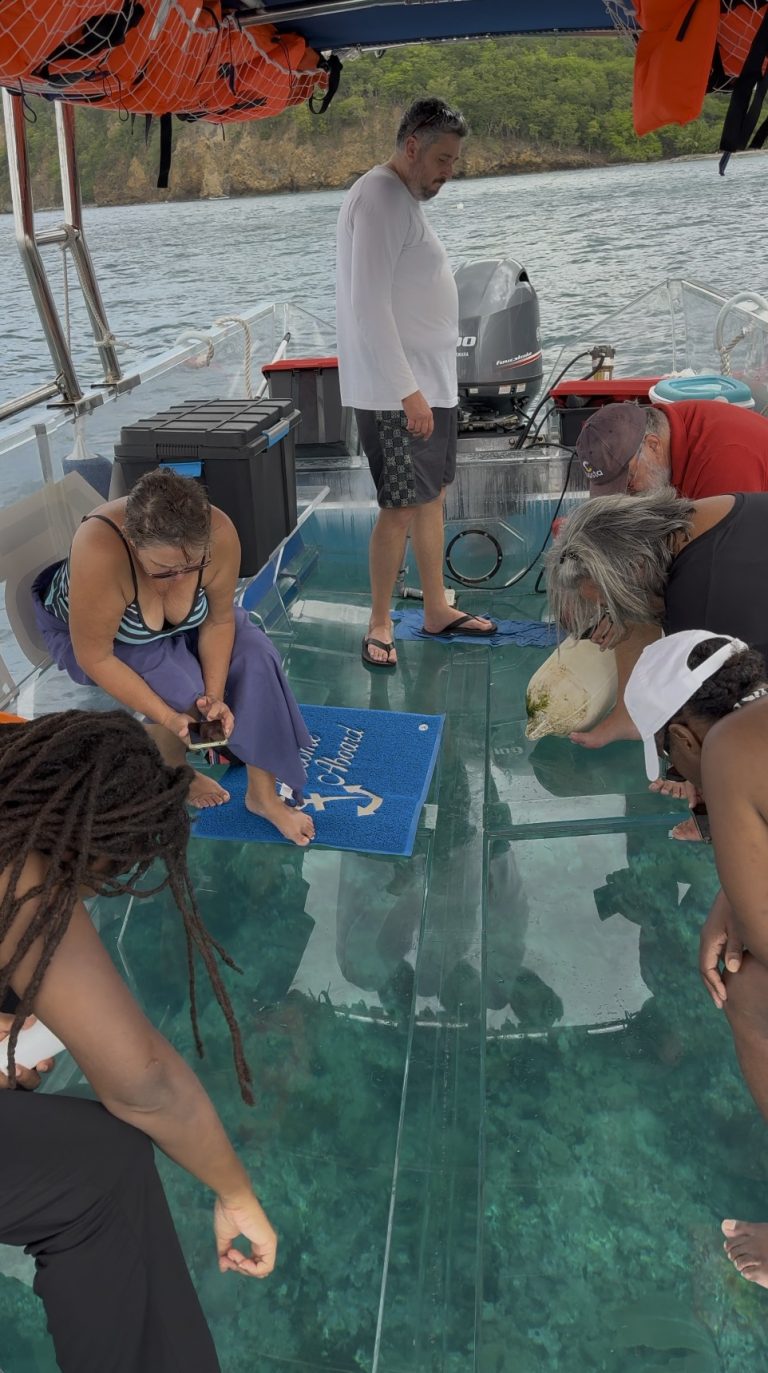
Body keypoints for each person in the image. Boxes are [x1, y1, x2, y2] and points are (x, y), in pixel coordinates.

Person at [0, 709, 277, 1372]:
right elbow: (145, 1083)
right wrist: (236, 1194)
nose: (96, 892)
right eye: (109, 870)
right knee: (95, 1174)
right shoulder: (13, 863)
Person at [31, 467, 315, 846]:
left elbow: (218, 620)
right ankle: (174, 767)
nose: (180, 579)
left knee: (257, 656)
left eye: (192, 566)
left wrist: (215, 697)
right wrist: (169, 716)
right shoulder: (100, 551)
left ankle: (262, 796)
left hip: (194, 624)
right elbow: (95, 657)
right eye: (164, 570)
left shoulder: (219, 534)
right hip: (102, 637)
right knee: (181, 688)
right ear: (132, 541)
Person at [624, 628, 768, 1288]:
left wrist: (716, 819)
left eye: (674, 765)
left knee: (748, 989)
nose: (684, 781)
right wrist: (730, 894)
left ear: (684, 734)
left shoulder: (727, 746)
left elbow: (760, 941)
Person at [335, 96, 496, 669]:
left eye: (454, 161)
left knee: (431, 498)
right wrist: (407, 391)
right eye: (443, 159)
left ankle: (435, 608)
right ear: (411, 147)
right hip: (396, 394)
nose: (449, 172)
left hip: (428, 386)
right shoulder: (380, 197)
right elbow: (369, 305)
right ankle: (380, 622)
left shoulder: (400, 199)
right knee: (401, 506)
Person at [545, 486, 768, 756]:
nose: (612, 617)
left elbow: (729, 739)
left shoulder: (701, 613)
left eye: (612, 604)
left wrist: (684, 767)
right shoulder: (700, 516)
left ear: (636, 567)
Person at [577, 398, 768, 500]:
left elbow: (731, 552)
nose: (626, 495)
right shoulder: (664, 425)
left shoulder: (724, 465)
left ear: (653, 445)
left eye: (629, 482)